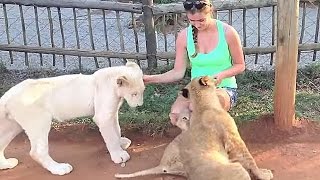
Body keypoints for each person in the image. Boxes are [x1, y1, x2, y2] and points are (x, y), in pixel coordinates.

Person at [143, 0, 245, 126]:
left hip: (224, 88)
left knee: (202, 108)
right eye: (192, 21)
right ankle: (196, 138)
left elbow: (240, 65)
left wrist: (222, 75)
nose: (197, 25)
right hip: (195, 88)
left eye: (201, 20)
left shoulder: (228, 32)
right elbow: (177, 72)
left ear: (211, 12)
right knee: (176, 115)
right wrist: (148, 79)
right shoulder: (184, 36)